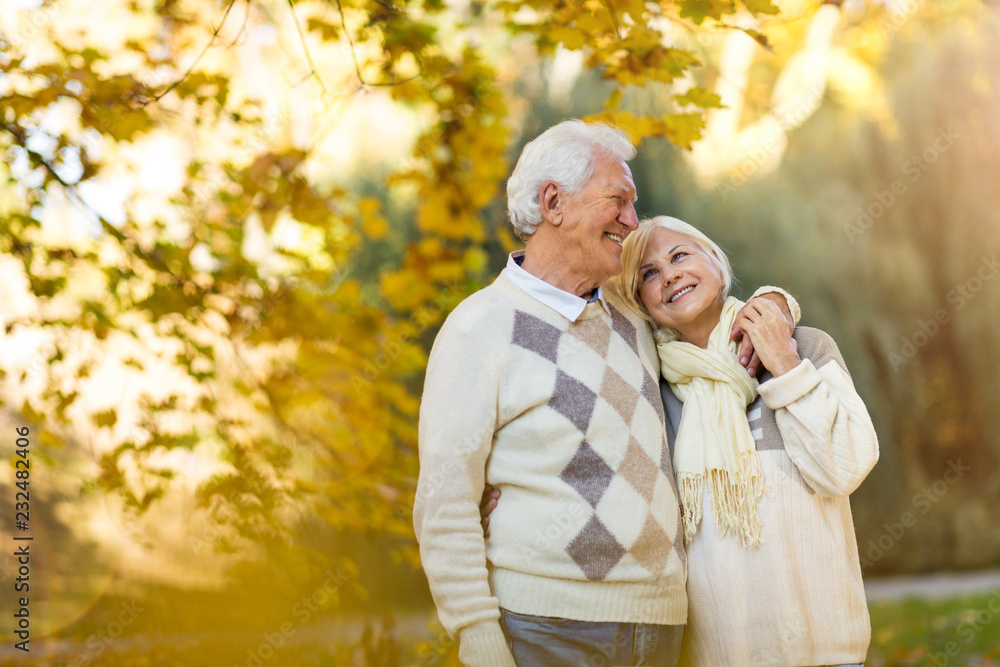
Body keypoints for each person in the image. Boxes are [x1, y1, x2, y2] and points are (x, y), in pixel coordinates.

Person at [413, 120, 797, 667]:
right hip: (546, 629)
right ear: (553, 203)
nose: (632, 221)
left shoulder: (632, 309)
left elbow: (712, 300)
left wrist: (777, 302)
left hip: (665, 625)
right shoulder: (480, 328)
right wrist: (477, 637)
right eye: (617, 200)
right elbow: (445, 502)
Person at [608, 215, 879, 666]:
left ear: (716, 262)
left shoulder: (805, 346)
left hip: (827, 653)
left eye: (679, 256)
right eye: (649, 274)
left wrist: (786, 364)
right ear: (643, 303)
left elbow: (845, 467)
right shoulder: (649, 392)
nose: (669, 274)